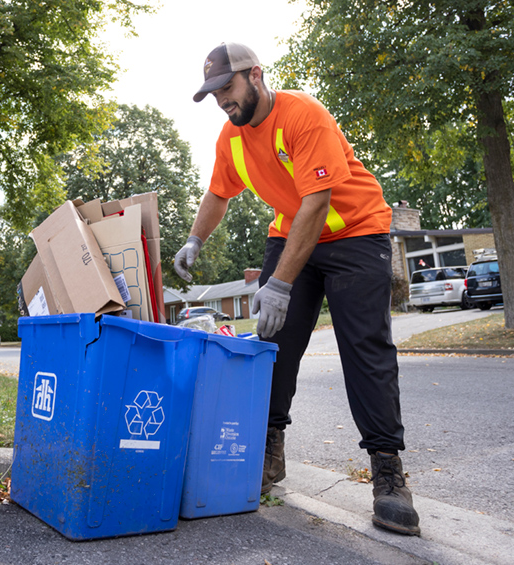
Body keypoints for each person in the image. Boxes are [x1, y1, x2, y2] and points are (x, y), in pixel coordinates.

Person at [174, 42, 420, 536]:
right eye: (214, 93)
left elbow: (318, 200)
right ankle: (267, 451)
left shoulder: (302, 115)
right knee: (272, 348)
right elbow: (218, 192)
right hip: (291, 232)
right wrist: (195, 239)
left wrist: (281, 284)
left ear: (255, 76)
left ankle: (388, 474)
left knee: (364, 348)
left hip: (355, 231)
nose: (222, 100)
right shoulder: (232, 138)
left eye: (228, 87)